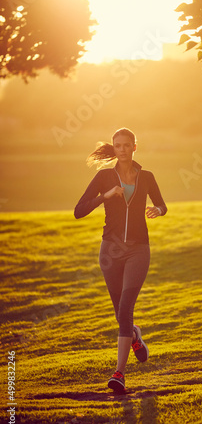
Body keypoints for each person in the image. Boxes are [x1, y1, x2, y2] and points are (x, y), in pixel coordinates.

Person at [74, 128, 167, 394]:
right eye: (118, 145)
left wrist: (157, 210)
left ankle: (120, 373)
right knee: (120, 315)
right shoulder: (104, 177)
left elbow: (162, 204)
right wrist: (106, 195)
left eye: (127, 145)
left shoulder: (146, 177)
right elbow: (78, 211)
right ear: (114, 149)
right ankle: (135, 335)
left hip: (138, 249)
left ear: (135, 147)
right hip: (110, 251)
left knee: (125, 308)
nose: (123, 149)